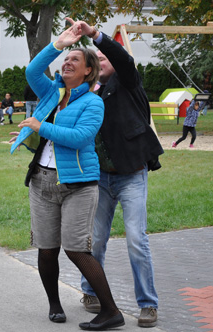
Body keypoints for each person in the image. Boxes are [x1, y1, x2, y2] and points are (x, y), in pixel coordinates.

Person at [11, 23, 124, 330]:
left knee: (76, 249)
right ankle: (55, 304)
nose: (67, 62)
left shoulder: (93, 102)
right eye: (66, 58)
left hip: (78, 186)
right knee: (47, 249)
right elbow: (33, 71)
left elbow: (79, 137)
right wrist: (58, 44)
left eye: (75, 59)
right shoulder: (52, 91)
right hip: (42, 182)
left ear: (88, 71)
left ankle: (111, 311)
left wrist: (39, 126)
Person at [69, 18, 164, 328]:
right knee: (94, 242)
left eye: (106, 56)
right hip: (101, 179)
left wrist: (96, 36)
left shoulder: (129, 82)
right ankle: (91, 293)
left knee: (136, 239)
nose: (103, 61)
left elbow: (121, 58)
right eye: (99, 60)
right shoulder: (89, 94)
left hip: (131, 175)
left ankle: (148, 305)